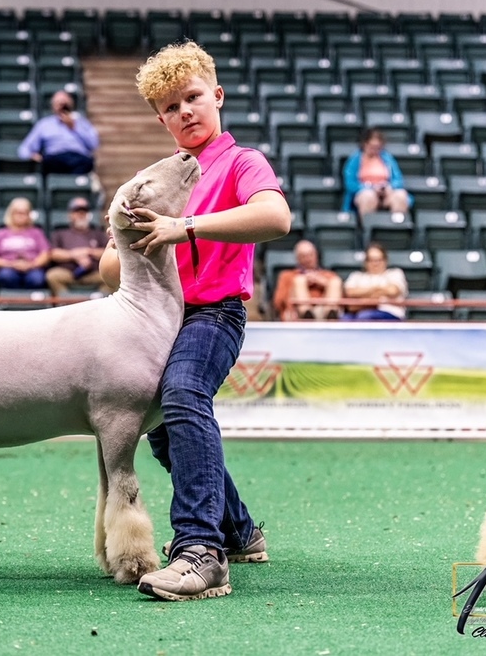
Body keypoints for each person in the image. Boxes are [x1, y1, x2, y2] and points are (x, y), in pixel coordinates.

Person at [99, 40, 291, 601]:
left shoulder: (242, 162)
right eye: (170, 107)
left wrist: (183, 226)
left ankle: (201, 553)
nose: (184, 111)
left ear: (217, 96)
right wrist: (129, 238)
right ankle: (238, 531)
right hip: (155, 320)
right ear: (160, 119)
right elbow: (111, 267)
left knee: (182, 396)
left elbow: (276, 216)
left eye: (193, 97)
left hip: (215, 314)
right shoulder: (154, 180)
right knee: (159, 427)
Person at [17, 90, 100, 175]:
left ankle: (74, 186)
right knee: (47, 162)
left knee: (87, 163)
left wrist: (74, 127)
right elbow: (25, 148)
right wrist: (33, 156)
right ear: (53, 106)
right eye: (59, 103)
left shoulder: (82, 123)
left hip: (78, 159)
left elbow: (94, 144)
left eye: (64, 103)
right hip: (55, 159)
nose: (62, 106)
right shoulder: (44, 124)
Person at [45, 196, 113, 298]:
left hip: (93, 273)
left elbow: (109, 252)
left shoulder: (97, 233)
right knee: (52, 275)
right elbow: (53, 253)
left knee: (112, 277)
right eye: (77, 211)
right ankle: (66, 303)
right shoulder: (60, 233)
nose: (81, 215)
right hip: (69, 273)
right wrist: (73, 255)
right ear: (70, 215)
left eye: (84, 211)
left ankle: (97, 304)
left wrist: (88, 252)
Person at [342, 128, 411, 217]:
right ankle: (366, 228)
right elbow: (350, 184)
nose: (374, 150)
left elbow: (398, 179)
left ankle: (397, 228)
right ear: (365, 144)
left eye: (377, 148)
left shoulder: (387, 158)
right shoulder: (355, 159)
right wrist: (371, 187)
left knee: (400, 195)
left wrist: (390, 187)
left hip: (386, 193)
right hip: (365, 192)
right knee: (368, 197)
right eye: (372, 147)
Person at [0, 197, 51, 290]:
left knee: (37, 278)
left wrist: (31, 265)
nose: (21, 216)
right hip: (8, 267)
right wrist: (11, 264)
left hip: (32, 267)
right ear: (11, 214)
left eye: (25, 213)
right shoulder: (0, 234)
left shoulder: (37, 232)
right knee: (6, 276)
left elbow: (45, 254)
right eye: (18, 212)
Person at [271, 239, 343, 321]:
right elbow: (278, 302)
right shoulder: (287, 276)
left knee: (335, 282)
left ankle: (330, 313)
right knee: (299, 280)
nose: (308, 259)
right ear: (297, 258)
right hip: (296, 313)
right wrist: (297, 285)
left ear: (316, 255)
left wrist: (324, 283)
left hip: (323, 312)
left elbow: (342, 298)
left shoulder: (329, 275)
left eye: (310, 255)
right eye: (303, 256)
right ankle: (306, 314)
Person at [340, 242, 408, 321]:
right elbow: (349, 292)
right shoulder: (356, 276)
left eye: (379, 260)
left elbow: (393, 291)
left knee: (365, 316)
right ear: (365, 262)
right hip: (357, 311)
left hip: (389, 312)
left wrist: (362, 297)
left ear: (385, 260)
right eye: (371, 260)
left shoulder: (394, 273)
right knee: (344, 319)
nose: (375, 264)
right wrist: (377, 291)